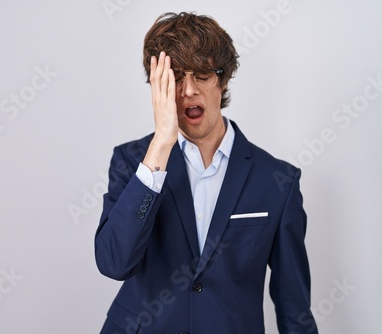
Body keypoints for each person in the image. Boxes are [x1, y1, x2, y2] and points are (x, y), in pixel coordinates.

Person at [95, 12, 318, 334]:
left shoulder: (277, 180)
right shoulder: (132, 162)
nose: (188, 91)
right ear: (158, 86)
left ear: (223, 79)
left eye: (201, 74)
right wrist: (161, 146)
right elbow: (115, 263)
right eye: (175, 77)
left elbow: (293, 304)